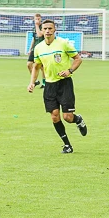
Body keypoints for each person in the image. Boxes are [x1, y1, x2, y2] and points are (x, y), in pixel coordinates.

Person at [28, 19, 88, 154]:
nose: (48, 31)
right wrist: (32, 82)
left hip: (64, 84)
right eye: (45, 29)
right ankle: (67, 145)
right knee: (54, 116)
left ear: (55, 30)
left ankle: (77, 119)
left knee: (68, 117)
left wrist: (69, 71)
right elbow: (36, 66)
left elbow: (78, 59)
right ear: (42, 31)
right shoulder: (38, 48)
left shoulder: (63, 43)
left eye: (50, 28)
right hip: (49, 86)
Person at [26, 13, 45, 88]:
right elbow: (34, 38)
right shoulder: (34, 28)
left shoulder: (43, 27)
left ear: (41, 19)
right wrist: (30, 49)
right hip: (35, 49)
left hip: (42, 49)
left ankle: (44, 83)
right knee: (29, 64)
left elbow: (40, 35)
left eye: (38, 19)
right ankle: (35, 81)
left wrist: (37, 25)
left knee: (42, 67)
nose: (37, 20)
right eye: (36, 19)